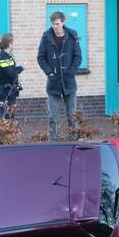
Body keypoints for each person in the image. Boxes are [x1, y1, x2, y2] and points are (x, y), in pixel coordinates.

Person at [37, 11, 83, 141]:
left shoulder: (72, 36)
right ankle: (53, 142)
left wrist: (71, 72)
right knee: (53, 116)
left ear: (63, 22)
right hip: (53, 83)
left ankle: (73, 140)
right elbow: (41, 57)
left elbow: (78, 56)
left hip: (69, 82)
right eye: (53, 24)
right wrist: (49, 72)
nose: (55, 27)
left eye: (57, 24)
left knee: (72, 115)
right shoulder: (46, 37)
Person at [0, 33, 24, 119]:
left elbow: (7, 71)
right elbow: (11, 73)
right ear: (9, 44)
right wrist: (20, 68)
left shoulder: (2, 56)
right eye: (13, 42)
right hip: (6, 92)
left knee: (6, 118)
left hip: (3, 91)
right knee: (7, 118)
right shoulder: (4, 57)